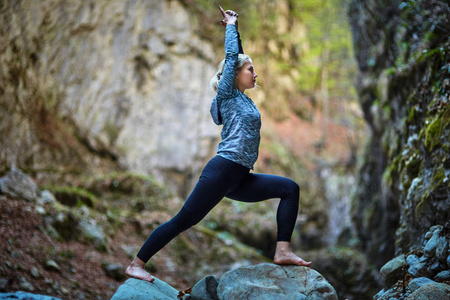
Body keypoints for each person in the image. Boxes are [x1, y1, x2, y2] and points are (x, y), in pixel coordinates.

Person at [125, 6, 312, 283]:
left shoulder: (244, 99)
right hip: (223, 170)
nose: (255, 73)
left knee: (289, 189)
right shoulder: (227, 95)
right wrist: (230, 27)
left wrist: (238, 40)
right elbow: (233, 58)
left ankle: (282, 250)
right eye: (251, 69)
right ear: (234, 75)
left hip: (239, 178)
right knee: (183, 221)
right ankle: (136, 264)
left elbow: (238, 59)